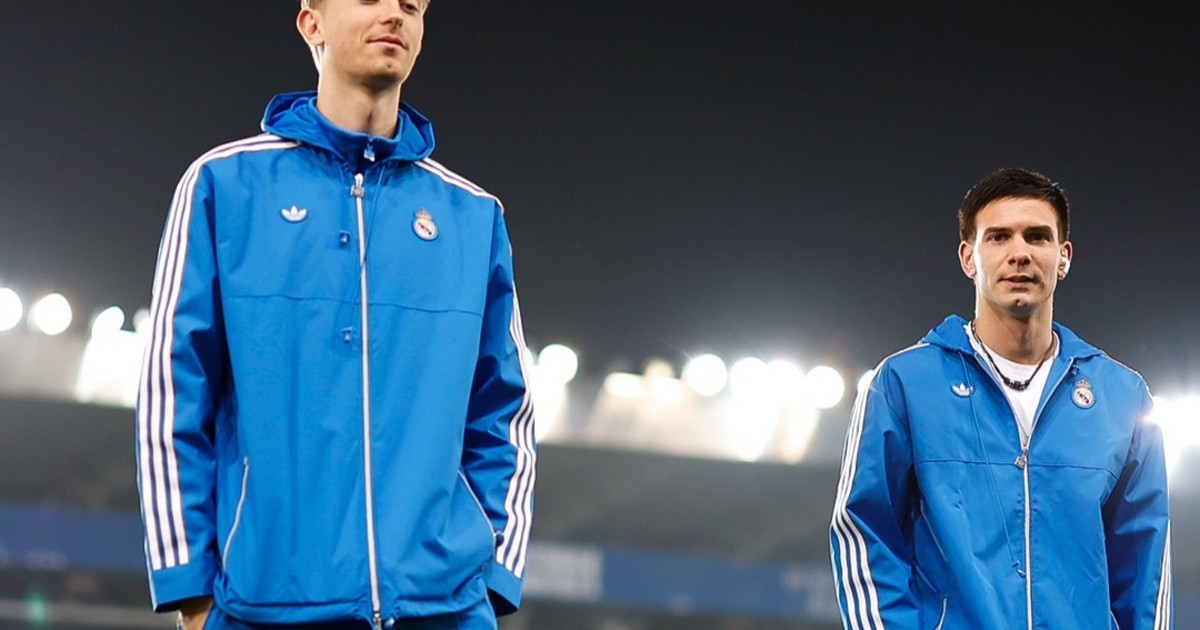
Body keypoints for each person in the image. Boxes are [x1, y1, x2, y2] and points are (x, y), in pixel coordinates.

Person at [135, 1, 536, 628]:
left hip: (445, 609)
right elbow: (171, 394)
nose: (395, 14)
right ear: (311, 24)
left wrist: (492, 577)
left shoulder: (473, 215)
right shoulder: (223, 186)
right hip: (262, 607)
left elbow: (505, 411)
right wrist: (190, 587)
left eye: (411, 5)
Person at [829, 168, 1173, 629]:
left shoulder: (1124, 396)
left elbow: (1146, 570)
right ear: (968, 258)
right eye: (998, 237)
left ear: (1064, 256)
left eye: (1037, 237)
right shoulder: (902, 384)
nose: (1020, 253)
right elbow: (864, 533)